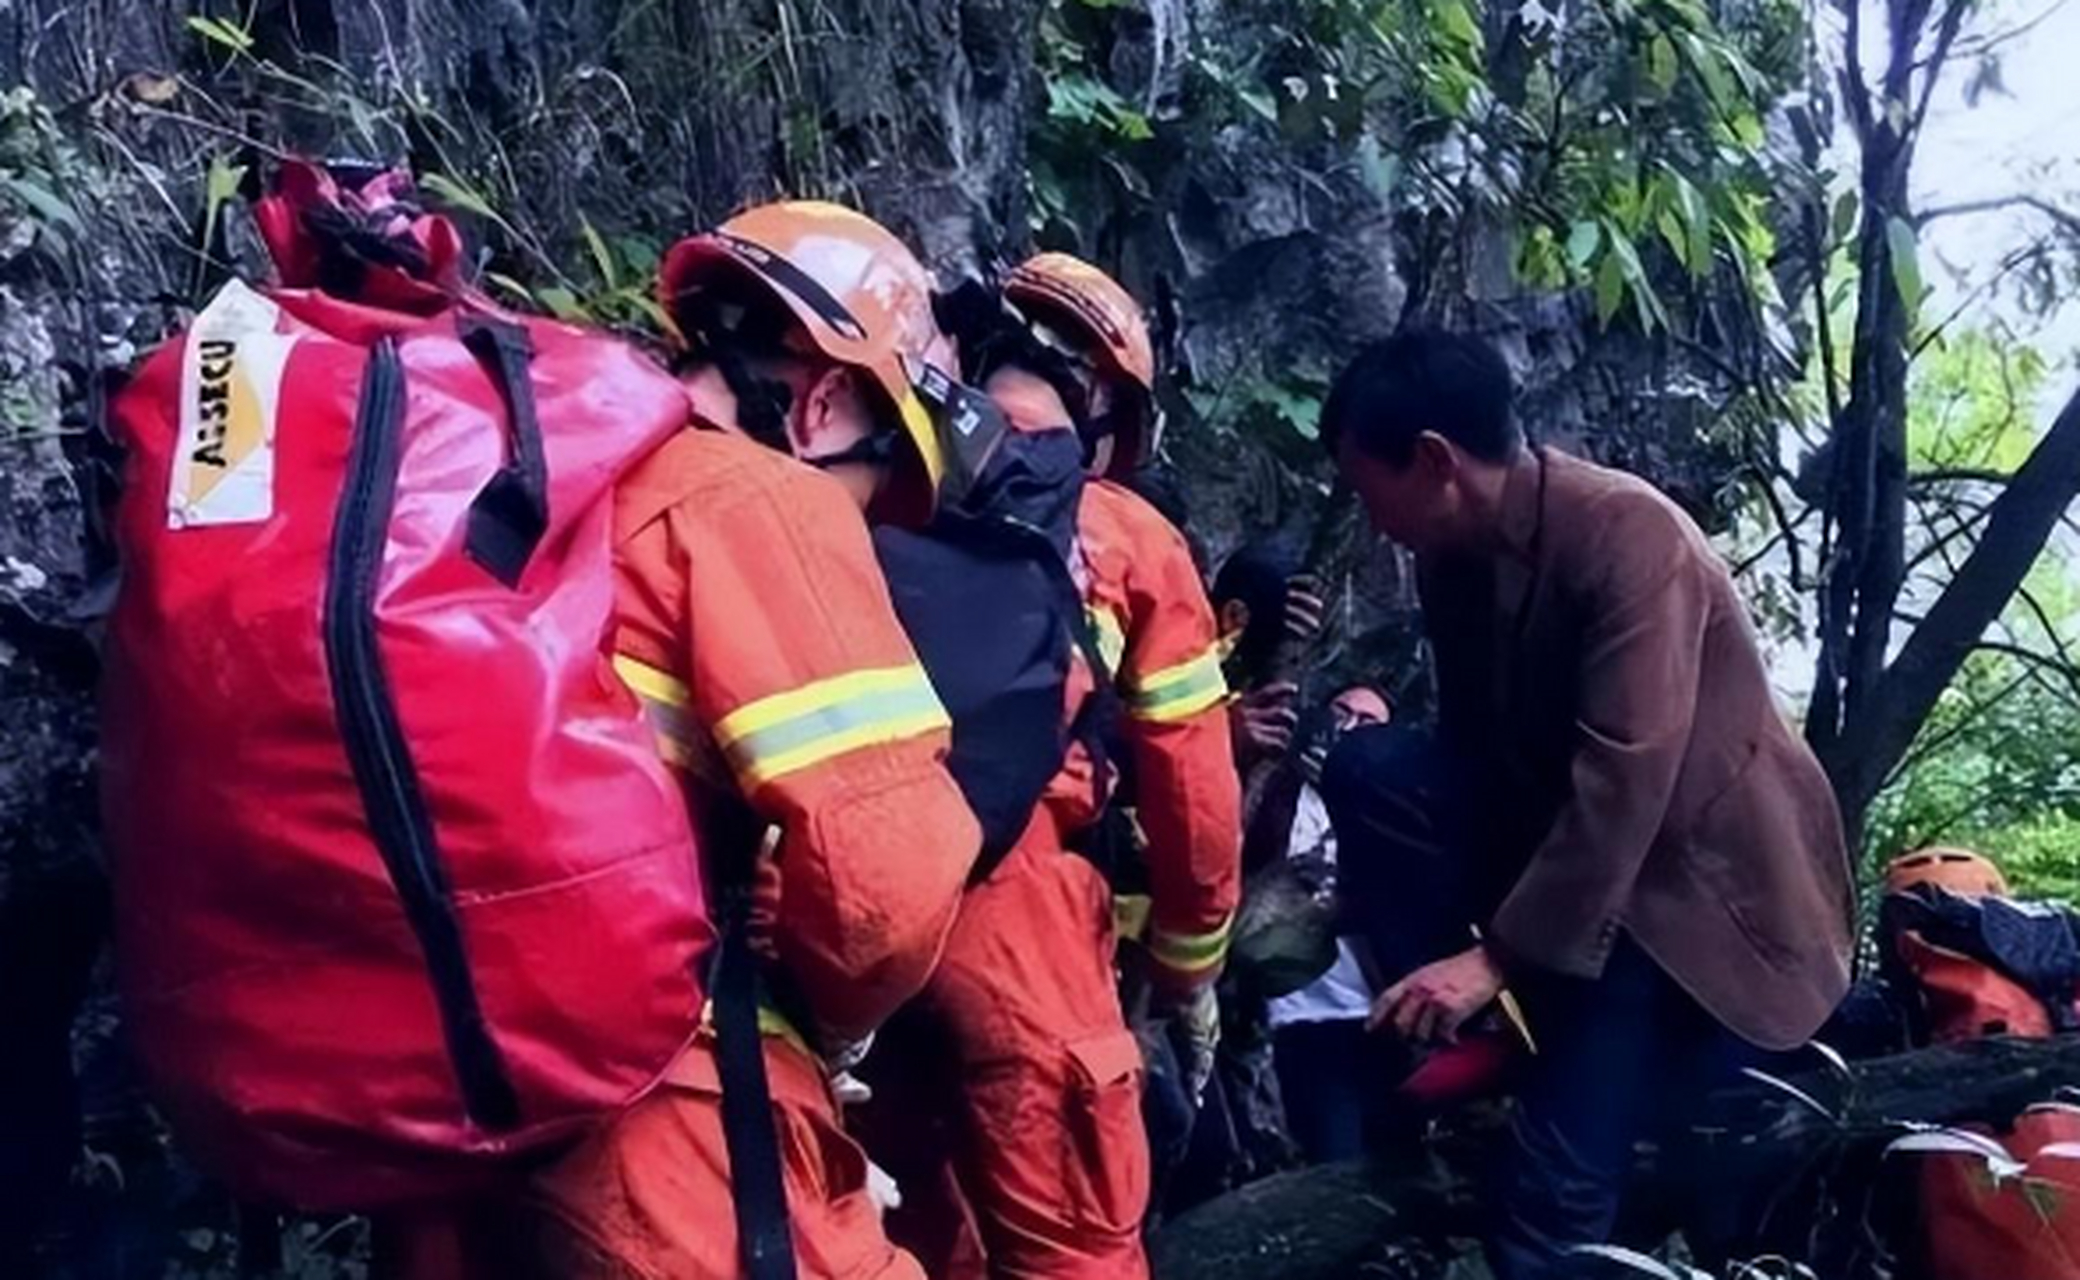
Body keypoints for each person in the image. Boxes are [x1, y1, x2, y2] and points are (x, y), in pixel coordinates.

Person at [1317, 330, 1856, 1278]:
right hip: (1567, 873)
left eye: (1374, 493)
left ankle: (1543, 1055)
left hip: (1678, 897)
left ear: (1436, 462)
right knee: (1373, 773)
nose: (1375, 523)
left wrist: (1495, 956)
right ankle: (1479, 1035)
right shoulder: (1455, 558)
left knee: (1553, 1199)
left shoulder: (1628, 536)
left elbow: (1625, 777)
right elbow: (1476, 754)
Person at [515, 201, 982, 1279]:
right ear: (823, 400)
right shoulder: (754, 494)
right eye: (868, 493)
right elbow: (887, 885)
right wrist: (841, 1021)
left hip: (458, 1087)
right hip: (654, 1091)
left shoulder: (540, 467)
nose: (857, 523)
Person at [865, 253, 1242, 1280]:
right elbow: (1193, 792)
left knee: (890, 1220)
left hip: (836, 880)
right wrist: (1188, 964)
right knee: (1073, 1237)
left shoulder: (854, 471)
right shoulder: (1123, 534)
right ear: (1108, 410)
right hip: (1012, 894)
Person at [1262, 684, 1395, 1164]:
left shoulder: (1392, 813)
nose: (1350, 727)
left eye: (1368, 722)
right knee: (1335, 1159)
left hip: (1382, 1010)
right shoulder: (1273, 793)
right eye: (1342, 712)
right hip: (1300, 1014)